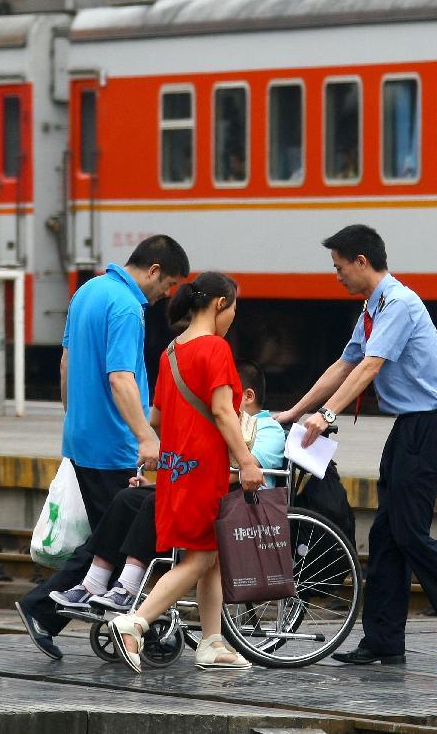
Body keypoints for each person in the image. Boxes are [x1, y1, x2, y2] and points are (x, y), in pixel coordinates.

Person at [276, 224, 437, 665]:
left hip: (429, 428)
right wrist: (293, 411)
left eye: (339, 267)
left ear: (362, 261)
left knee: (410, 533)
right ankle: (383, 641)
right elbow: (345, 363)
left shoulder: (397, 304)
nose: (335, 275)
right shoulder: (372, 308)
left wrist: (327, 415)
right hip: (410, 429)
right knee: (386, 535)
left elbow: (369, 367)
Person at [15, 234, 190, 660]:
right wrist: (146, 436)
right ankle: (43, 608)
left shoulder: (87, 291)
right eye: (166, 285)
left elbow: (65, 363)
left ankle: (118, 619)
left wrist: (74, 419)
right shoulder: (128, 307)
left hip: (83, 437)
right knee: (119, 538)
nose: (165, 295)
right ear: (153, 270)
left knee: (107, 539)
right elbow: (120, 378)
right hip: (114, 444)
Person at [109, 272, 264, 672]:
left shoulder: (171, 351)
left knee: (208, 556)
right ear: (219, 304)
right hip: (204, 471)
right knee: (198, 560)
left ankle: (212, 642)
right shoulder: (215, 348)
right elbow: (222, 412)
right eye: (234, 306)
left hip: (177, 471)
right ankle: (134, 623)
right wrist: (246, 461)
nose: (233, 315)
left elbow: (156, 417)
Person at [48, 359, 285, 613]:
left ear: (247, 396)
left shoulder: (269, 429)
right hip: (198, 489)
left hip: (237, 504)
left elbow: (236, 475)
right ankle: (93, 583)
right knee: (128, 498)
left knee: (156, 501)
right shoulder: (217, 425)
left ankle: (128, 587)